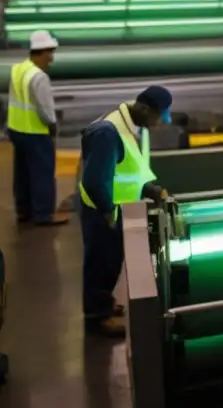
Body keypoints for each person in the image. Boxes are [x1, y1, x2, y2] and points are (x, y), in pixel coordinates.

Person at [78, 86, 173, 338]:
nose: (158, 125)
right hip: (102, 209)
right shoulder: (107, 133)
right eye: (157, 117)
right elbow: (94, 181)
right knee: (101, 263)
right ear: (143, 109)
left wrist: (150, 190)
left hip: (115, 205)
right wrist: (108, 213)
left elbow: (126, 171)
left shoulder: (130, 125)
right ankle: (97, 318)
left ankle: (104, 304)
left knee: (111, 262)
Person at [5, 30, 66, 227]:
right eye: (50, 52)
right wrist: (53, 126)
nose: (52, 58)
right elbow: (45, 109)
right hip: (35, 132)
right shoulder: (39, 77)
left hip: (16, 128)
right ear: (42, 52)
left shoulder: (18, 69)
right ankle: (44, 214)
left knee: (22, 173)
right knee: (42, 172)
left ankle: (24, 211)